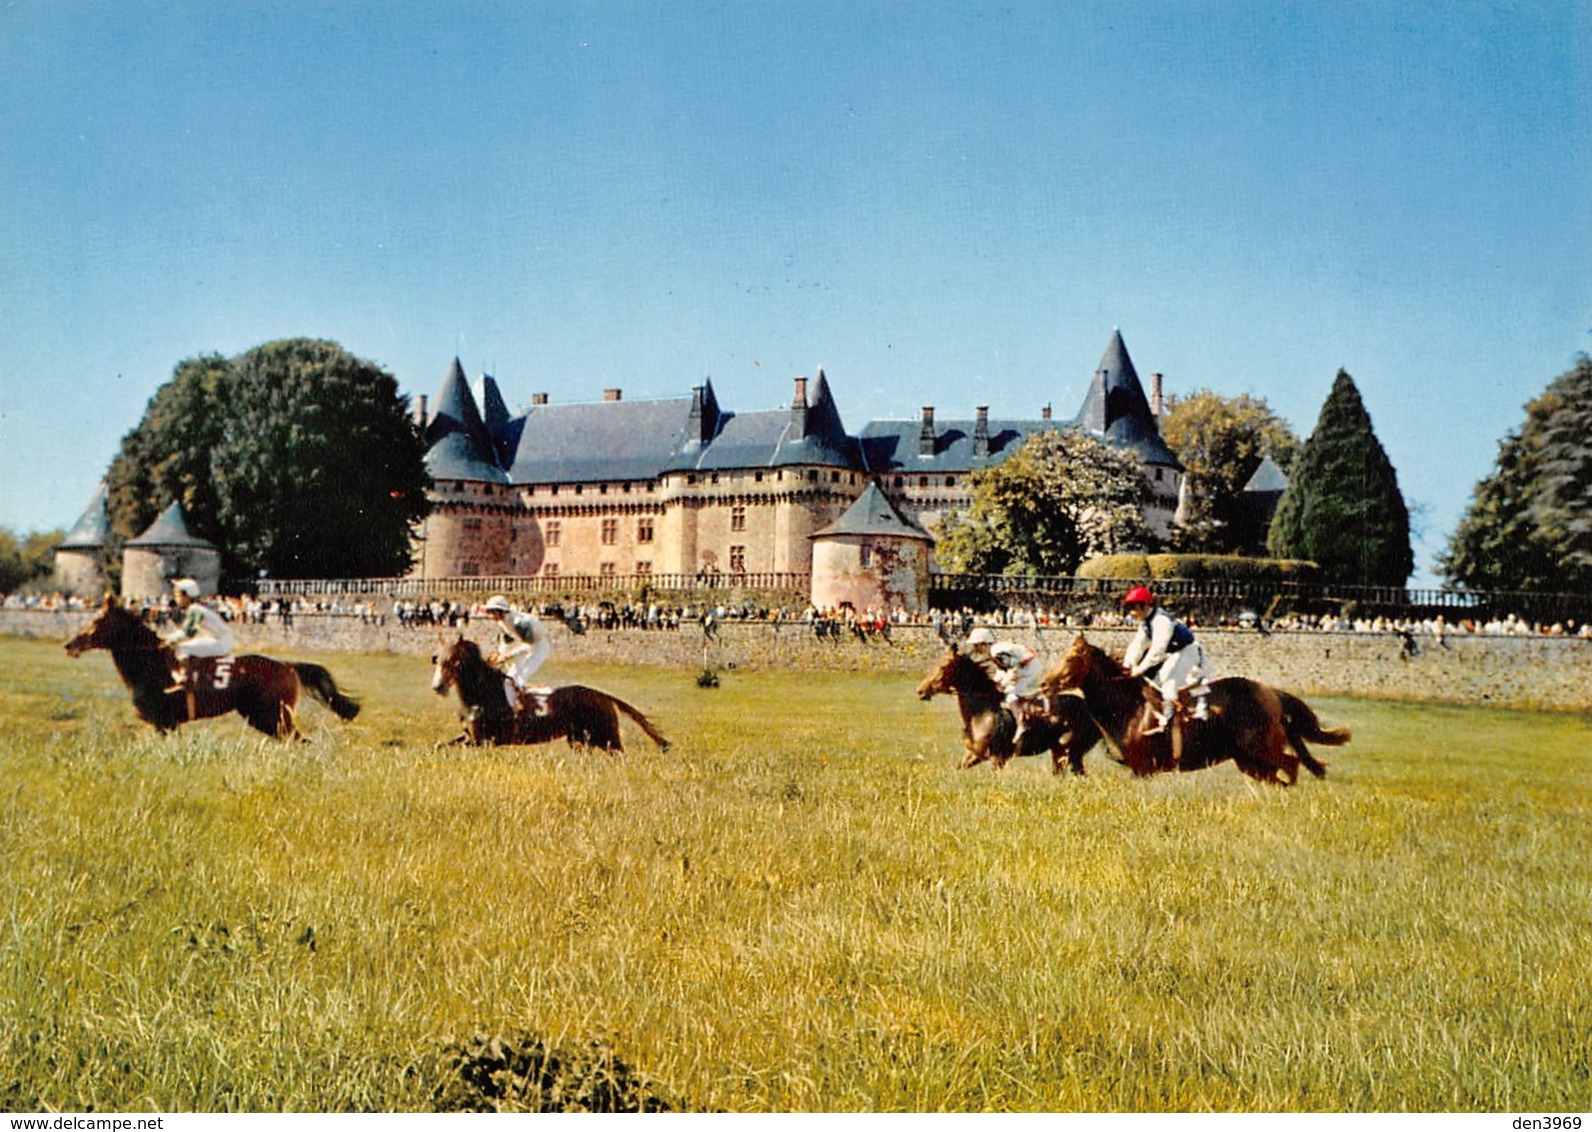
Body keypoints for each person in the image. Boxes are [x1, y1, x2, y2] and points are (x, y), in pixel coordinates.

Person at [1120, 585, 1210, 734]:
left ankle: (1168, 725)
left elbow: (1156, 652)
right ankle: (1160, 717)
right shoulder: (1145, 623)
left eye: (1133, 607)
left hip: (1190, 652)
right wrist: (1127, 664)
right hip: (1176, 653)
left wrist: (1138, 670)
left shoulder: (1161, 621)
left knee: (1168, 682)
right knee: (1154, 684)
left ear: (1144, 605)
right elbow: (1137, 645)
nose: (1131, 612)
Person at [163, 578, 235, 692]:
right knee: (184, 646)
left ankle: (183, 678)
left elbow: (187, 632)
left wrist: (167, 640)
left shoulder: (195, 609)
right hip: (216, 639)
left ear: (188, 596)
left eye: (178, 595)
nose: (176, 599)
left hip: (221, 642)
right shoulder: (197, 607)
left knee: (182, 648)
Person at [481, 594, 551, 711]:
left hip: (539, 648)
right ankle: (513, 705)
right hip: (523, 645)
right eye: (490, 612)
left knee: (519, 679)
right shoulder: (501, 622)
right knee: (510, 679)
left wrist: (507, 655)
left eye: (493, 612)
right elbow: (507, 640)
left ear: (501, 611)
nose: (491, 616)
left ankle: (528, 707)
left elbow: (530, 645)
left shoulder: (520, 623)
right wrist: (498, 653)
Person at [966, 626, 1043, 708]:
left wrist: (1003, 684)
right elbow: (1003, 670)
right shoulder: (993, 651)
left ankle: (1020, 719)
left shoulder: (996, 651)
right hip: (1027, 667)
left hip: (1030, 669)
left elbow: (1014, 669)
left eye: (975, 645)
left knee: (1010, 695)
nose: (975, 649)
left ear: (983, 644)